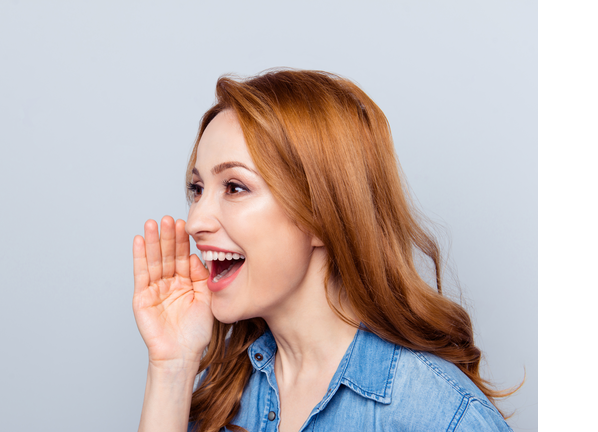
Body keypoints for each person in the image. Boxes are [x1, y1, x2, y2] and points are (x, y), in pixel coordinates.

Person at [131, 69, 514, 432]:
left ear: (318, 214)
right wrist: (173, 366)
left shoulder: (438, 413)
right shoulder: (224, 395)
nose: (196, 220)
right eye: (197, 190)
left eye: (234, 187)